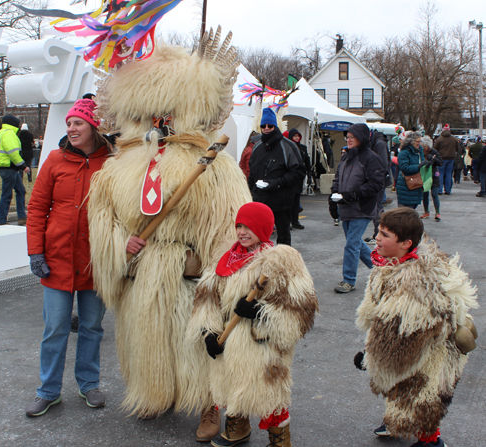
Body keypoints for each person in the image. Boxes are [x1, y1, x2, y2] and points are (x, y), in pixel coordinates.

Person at [87, 35, 252, 441]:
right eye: (150, 111)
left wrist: (215, 270)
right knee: (147, 341)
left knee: (197, 342)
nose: (159, 120)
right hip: (141, 272)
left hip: (187, 273)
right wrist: (118, 247)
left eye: (167, 110)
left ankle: (208, 406)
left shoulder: (214, 165)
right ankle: (152, 393)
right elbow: (102, 217)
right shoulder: (116, 167)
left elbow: (228, 225)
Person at [187, 202, 318, 447]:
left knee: (270, 394)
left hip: (262, 344)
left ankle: (279, 440)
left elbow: (302, 307)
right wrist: (209, 333)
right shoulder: (224, 259)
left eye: (249, 227)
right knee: (231, 386)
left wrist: (260, 312)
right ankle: (237, 428)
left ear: (264, 228)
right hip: (227, 338)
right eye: (239, 226)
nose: (242, 232)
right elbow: (207, 298)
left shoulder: (281, 262)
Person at [355, 207, 478, 447]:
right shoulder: (389, 264)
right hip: (411, 344)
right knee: (400, 387)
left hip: (427, 350)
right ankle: (396, 422)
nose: (377, 238)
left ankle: (431, 441)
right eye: (378, 232)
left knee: (423, 395)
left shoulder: (414, 285)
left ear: (406, 243)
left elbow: (399, 340)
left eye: (385, 235)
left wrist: (371, 359)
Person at [25, 99, 111, 417]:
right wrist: (36, 251)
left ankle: (89, 384)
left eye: (78, 123)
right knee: (56, 328)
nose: (71, 128)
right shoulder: (54, 161)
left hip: (95, 262)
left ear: (94, 127)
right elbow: (36, 209)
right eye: (69, 124)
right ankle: (48, 391)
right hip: (57, 259)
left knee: (91, 326)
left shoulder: (111, 163)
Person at [329, 123, 384, 293]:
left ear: (361, 138)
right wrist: (333, 196)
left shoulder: (371, 157)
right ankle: (380, 270)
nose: (349, 140)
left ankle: (349, 280)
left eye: (352, 137)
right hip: (346, 208)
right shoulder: (346, 158)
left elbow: (376, 183)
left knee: (352, 245)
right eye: (348, 137)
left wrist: (354, 194)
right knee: (356, 244)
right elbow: (338, 179)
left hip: (362, 208)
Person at [248, 108, 306, 245]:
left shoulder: (288, 146)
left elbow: (299, 172)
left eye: (270, 126)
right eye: (263, 126)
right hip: (259, 202)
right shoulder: (257, 148)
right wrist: (250, 192)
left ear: (275, 126)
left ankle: (284, 265)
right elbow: (252, 174)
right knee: (258, 237)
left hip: (281, 203)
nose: (266, 129)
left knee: (283, 239)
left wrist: (277, 183)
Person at [0, 114, 30, 226]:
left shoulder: (2, 132)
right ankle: (1, 220)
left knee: (20, 190)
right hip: (9, 168)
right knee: (7, 194)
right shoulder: (10, 134)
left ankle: (22, 217)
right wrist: (23, 166)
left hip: (7, 168)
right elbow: (13, 152)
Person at [364, 129, 391, 244]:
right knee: (377, 207)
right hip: (379, 180)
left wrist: (373, 179)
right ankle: (378, 234)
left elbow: (382, 164)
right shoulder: (378, 142)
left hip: (378, 181)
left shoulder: (379, 143)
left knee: (377, 207)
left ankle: (378, 235)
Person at [396, 131, 430, 209]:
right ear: (411, 141)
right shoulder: (404, 153)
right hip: (407, 184)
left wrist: (427, 164)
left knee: (411, 210)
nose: (419, 143)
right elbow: (404, 168)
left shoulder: (418, 151)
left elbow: (420, 165)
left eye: (420, 141)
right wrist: (419, 166)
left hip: (416, 183)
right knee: (406, 213)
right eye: (417, 141)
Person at [288, 128, 312, 230]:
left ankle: (295, 221)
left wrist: (309, 175)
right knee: (289, 200)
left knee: (296, 200)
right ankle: (288, 222)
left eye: (298, 136)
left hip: (299, 177)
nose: (297, 138)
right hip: (289, 177)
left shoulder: (303, 148)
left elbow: (307, 162)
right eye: (295, 136)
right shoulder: (287, 147)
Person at [420, 136, 443, 221]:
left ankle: (437, 212)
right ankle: (426, 211)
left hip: (433, 176)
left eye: (425, 147)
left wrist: (433, 159)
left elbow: (440, 163)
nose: (424, 149)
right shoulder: (421, 152)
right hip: (425, 176)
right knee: (425, 194)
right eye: (423, 147)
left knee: (434, 194)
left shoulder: (434, 152)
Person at [434, 124, 457, 195]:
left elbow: (435, 149)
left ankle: (439, 190)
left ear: (443, 130)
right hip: (451, 158)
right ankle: (448, 190)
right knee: (449, 174)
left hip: (441, 158)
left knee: (440, 173)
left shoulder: (439, 139)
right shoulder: (454, 139)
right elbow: (457, 149)